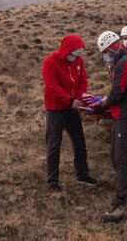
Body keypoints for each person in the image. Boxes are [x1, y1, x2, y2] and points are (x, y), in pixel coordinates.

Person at [95, 31, 127, 222]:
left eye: (105, 52)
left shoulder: (124, 63)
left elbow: (117, 91)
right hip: (125, 114)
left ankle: (119, 205)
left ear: (112, 47)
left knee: (121, 160)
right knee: (115, 158)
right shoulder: (126, 61)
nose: (105, 56)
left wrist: (104, 103)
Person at [42, 34, 97, 192]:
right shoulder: (50, 62)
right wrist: (69, 100)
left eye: (80, 54)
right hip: (55, 109)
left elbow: (83, 80)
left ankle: (82, 175)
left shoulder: (78, 61)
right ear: (67, 51)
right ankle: (53, 182)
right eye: (75, 54)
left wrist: (79, 98)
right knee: (54, 145)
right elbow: (51, 85)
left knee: (80, 142)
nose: (78, 57)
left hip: (72, 108)